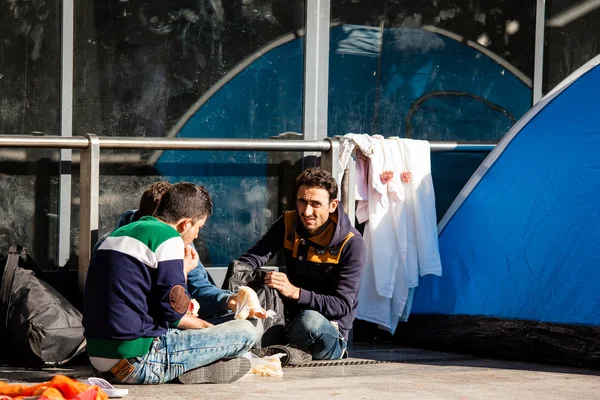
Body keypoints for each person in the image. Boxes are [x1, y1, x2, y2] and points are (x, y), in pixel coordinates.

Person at [83, 182, 264, 385]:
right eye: (199, 227)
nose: (197, 235)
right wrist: (210, 330)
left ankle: (196, 364)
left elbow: (155, 304)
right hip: (139, 362)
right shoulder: (167, 237)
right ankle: (197, 364)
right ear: (186, 224)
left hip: (99, 362)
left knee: (220, 328)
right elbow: (174, 314)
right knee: (249, 330)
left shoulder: (117, 234)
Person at [234, 167, 366, 363]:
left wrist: (295, 292)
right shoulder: (289, 221)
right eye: (302, 202)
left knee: (309, 322)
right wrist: (237, 284)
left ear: (332, 205)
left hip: (328, 331)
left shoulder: (352, 242)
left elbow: (342, 306)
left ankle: (277, 348)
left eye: (315, 204)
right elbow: (252, 259)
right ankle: (281, 349)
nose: (306, 211)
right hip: (287, 321)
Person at [106, 181, 233, 319]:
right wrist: (182, 271)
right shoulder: (126, 244)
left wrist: (228, 300)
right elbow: (171, 311)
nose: (196, 236)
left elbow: (199, 287)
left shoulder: (182, 236)